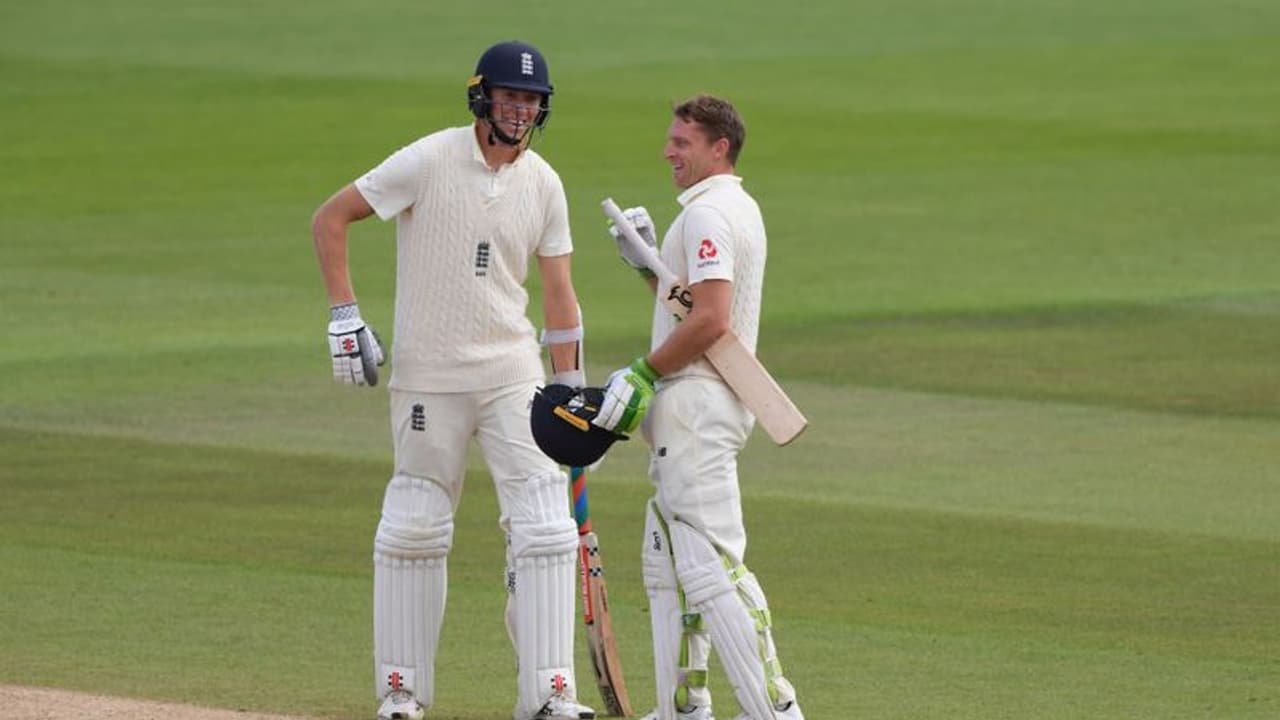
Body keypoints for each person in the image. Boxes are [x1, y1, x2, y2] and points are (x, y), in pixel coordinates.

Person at [311, 40, 595, 720]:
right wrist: (345, 315)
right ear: (481, 97)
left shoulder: (545, 182)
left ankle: (550, 695)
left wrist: (573, 391)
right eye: (510, 97)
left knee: (545, 526)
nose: (520, 110)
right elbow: (331, 218)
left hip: (512, 374)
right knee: (415, 524)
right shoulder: (429, 158)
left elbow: (559, 295)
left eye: (531, 100)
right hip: (429, 376)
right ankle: (400, 692)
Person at [594, 96, 805, 720]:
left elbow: (712, 321)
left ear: (720, 148)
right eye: (670, 140)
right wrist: (650, 269)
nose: (668, 152)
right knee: (668, 563)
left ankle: (774, 709)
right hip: (697, 404)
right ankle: (682, 708)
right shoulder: (734, 207)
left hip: (697, 405)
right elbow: (695, 307)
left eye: (682, 142)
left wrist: (644, 370)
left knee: (711, 567)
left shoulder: (709, 214)